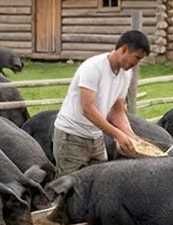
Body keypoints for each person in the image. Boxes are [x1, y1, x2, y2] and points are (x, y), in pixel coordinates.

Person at [53, 29, 150, 176]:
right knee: (68, 184)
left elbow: (117, 111)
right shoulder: (93, 68)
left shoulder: (126, 74)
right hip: (71, 136)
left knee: (99, 181)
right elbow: (87, 109)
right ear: (124, 49)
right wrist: (117, 135)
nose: (136, 64)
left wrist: (131, 136)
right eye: (136, 57)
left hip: (96, 137)